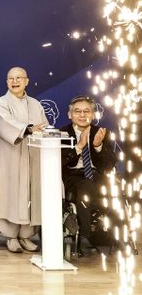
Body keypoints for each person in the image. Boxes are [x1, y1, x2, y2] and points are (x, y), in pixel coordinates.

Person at [0, 67, 48, 253]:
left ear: (26, 81)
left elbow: (43, 126)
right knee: (10, 193)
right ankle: (11, 236)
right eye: (11, 78)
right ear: (7, 82)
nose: (15, 81)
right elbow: (4, 124)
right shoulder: (1, 103)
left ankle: (26, 235)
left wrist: (41, 132)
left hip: (32, 155)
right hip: (10, 156)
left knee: (30, 193)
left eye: (19, 78)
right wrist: (27, 129)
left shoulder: (35, 104)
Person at [60, 95, 116, 254]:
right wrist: (79, 147)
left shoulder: (102, 132)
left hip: (96, 174)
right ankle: (85, 234)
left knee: (114, 188)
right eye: (77, 111)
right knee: (86, 187)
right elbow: (60, 161)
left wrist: (98, 146)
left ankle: (113, 233)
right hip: (73, 176)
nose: (82, 115)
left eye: (86, 111)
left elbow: (110, 163)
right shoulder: (62, 133)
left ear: (93, 114)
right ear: (70, 115)